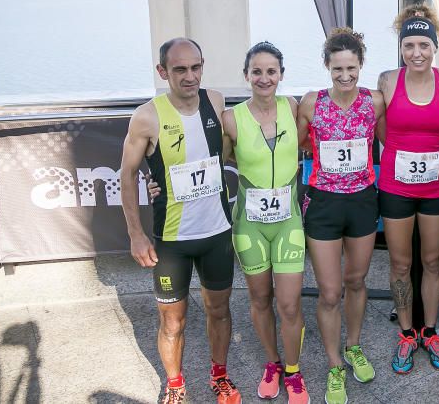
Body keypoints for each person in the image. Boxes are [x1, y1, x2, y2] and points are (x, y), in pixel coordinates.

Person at [120, 38, 241, 404]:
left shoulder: (216, 101)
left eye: (196, 67)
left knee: (219, 310)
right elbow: (127, 174)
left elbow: (226, 150)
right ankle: (175, 386)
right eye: (180, 69)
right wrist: (136, 234)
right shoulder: (147, 116)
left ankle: (219, 375)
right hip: (173, 239)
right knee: (173, 322)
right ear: (163, 72)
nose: (190, 76)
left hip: (217, 233)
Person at [296, 28, 384, 404]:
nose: (345, 76)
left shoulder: (374, 102)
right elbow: (300, 143)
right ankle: (334, 366)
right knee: (330, 291)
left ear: (361, 65)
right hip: (324, 204)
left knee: (357, 280)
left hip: (363, 201)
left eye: (351, 68)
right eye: (337, 69)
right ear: (327, 68)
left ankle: (353, 346)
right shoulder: (312, 103)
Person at [377, 3, 439, 374]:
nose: (417, 53)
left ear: (434, 47)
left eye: (423, 45)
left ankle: (430, 329)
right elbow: (378, 127)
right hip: (396, 186)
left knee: (431, 260)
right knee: (399, 263)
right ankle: (408, 333)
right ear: (401, 49)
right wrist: (397, 149)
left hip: (435, 187)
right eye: (409, 45)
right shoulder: (388, 80)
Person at [222, 42, 308, 404]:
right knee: (260, 299)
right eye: (256, 71)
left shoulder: (293, 107)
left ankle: (293, 370)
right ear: (246, 76)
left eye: (271, 71)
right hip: (250, 226)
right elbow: (217, 160)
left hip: (288, 223)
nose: (264, 78)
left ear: (281, 76)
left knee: (289, 304)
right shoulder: (231, 118)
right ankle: (271, 363)